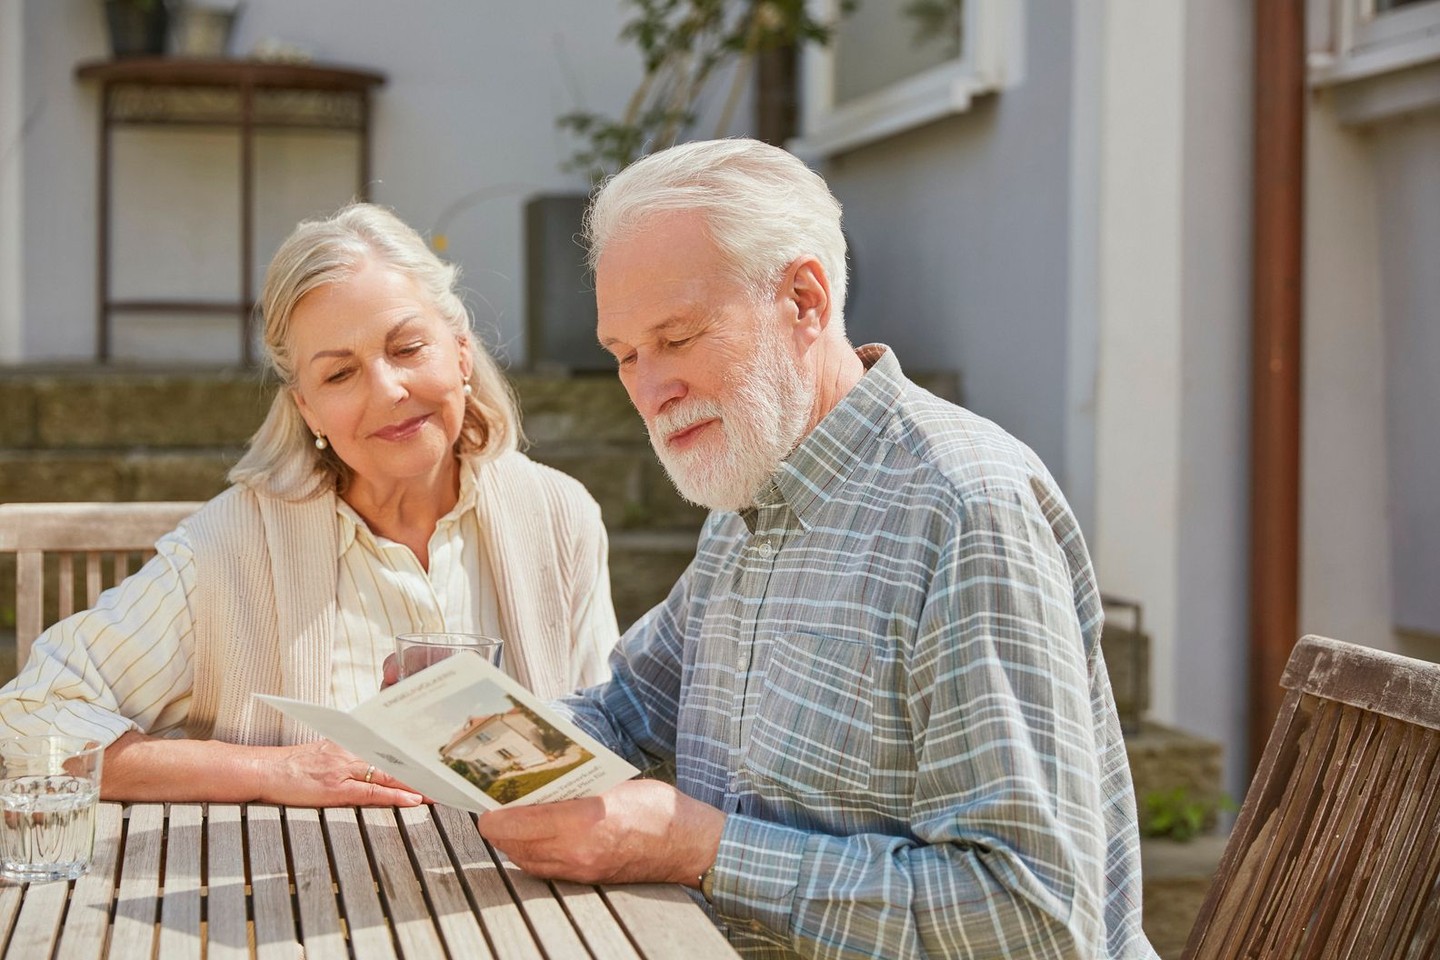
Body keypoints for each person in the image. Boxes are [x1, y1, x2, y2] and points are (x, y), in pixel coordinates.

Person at [477, 139, 1158, 959]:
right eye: (625, 356)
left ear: (804, 298)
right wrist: (446, 740)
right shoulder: (748, 488)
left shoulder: (963, 505)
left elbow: (1035, 921)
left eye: (680, 337)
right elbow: (625, 710)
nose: (650, 389)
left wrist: (701, 848)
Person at [0, 203, 619, 808]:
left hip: (520, 900)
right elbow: (29, 720)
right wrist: (270, 769)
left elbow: (607, 730)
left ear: (459, 352)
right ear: (308, 411)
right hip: (296, 897)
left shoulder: (559, 514)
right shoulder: (226, 552)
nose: (388, 390)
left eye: (407, 348)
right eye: (339, 375)